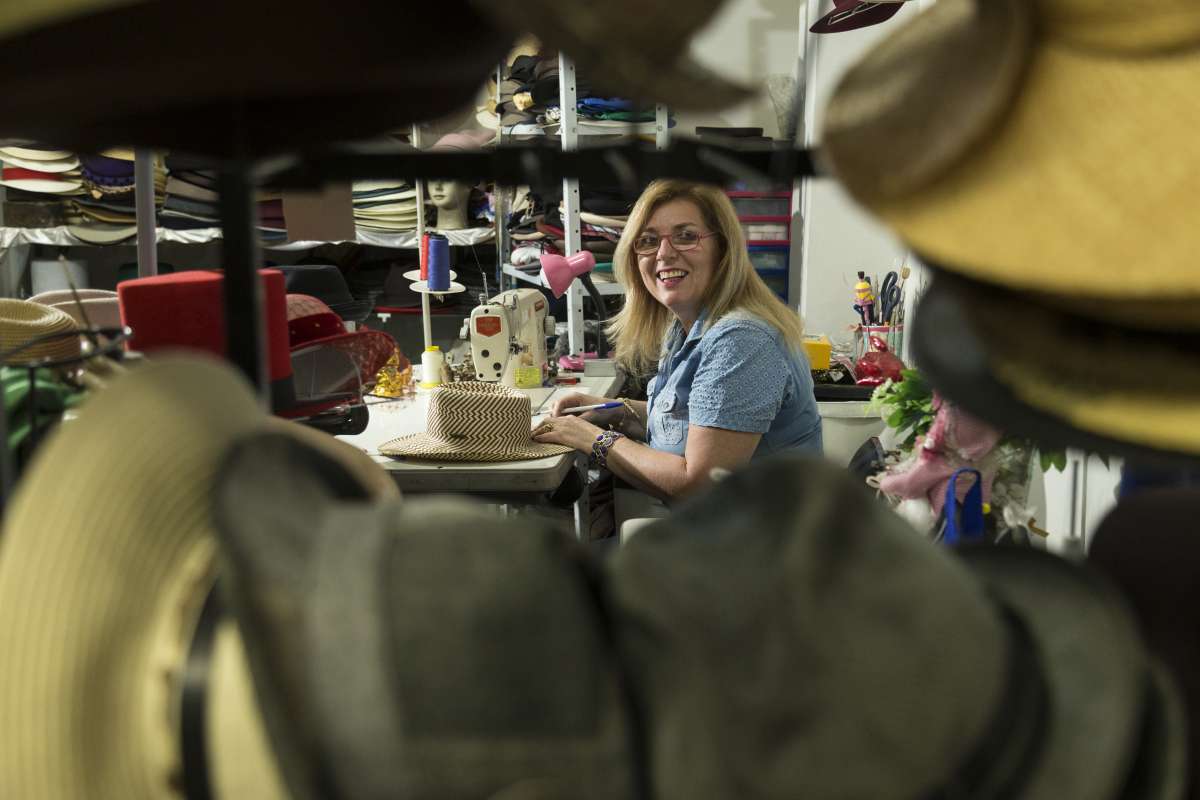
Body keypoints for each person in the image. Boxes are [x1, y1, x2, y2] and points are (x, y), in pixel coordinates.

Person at [534, 179, 822, 502]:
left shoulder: (742, 340)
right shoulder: (688, 326)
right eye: (648, 240)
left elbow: (698, 484)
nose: (664, 253)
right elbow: (694, 421)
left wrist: (591, 438)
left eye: (686, 236)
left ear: (723, 248)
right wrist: (615, 411)